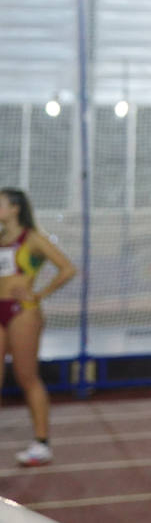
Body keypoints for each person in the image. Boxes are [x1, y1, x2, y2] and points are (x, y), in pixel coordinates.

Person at [0, 188, 78, 467]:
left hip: (23, 313)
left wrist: (39, 294)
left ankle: (41, 444)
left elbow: (68, 268)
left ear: (15, 209)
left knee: (26, 377)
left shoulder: (32, 239)